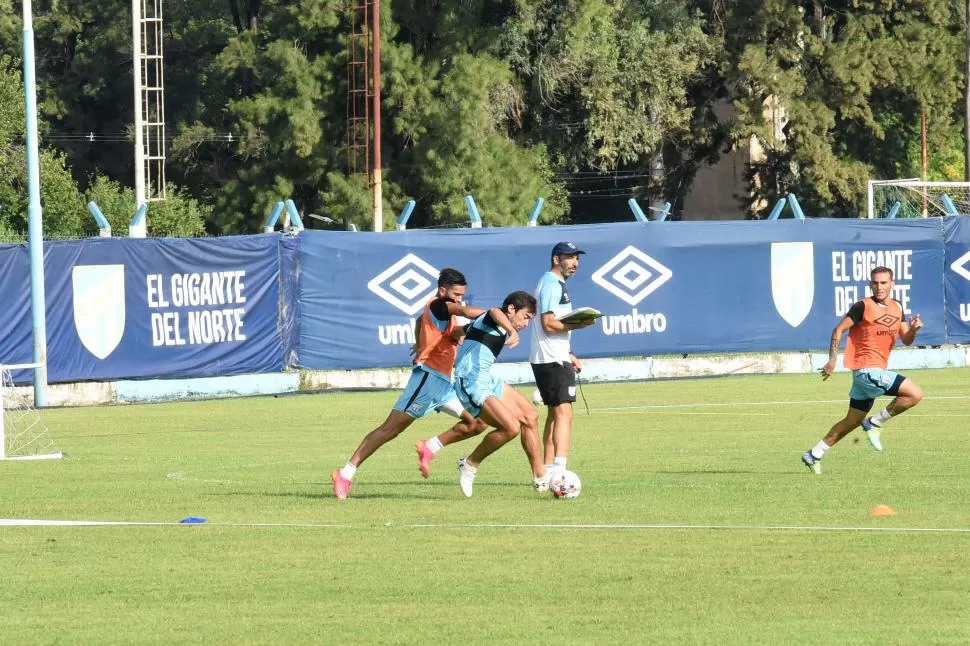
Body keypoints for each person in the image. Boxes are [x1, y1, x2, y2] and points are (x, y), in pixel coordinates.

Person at [331, 268, 516, 499]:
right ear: (443, 290)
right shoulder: (440, 304)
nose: (459, 299)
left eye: (461, 295)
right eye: (456, 294)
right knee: (390, 429)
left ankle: (430, 447)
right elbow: (468, 311)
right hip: (428, 379)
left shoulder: (440, 315)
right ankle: (345, 473)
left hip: (444, 384)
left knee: (476, 422)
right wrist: (496, 318)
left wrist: (420, 341)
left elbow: (423, 321)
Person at [802, 266, 924, 475]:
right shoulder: (862, 306)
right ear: (870, 284)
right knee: (915, 394)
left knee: (852, 421)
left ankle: (814, 454)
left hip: (868, 376)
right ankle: (875, 423)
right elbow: (838, 329)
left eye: (883, 282)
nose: (879, 287)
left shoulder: (898, 307)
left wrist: (913, 330)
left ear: (892, 284)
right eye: (875, 283)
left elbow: (906, 339)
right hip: (867, 372)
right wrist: (832, 360)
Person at [454, 291, 546, 497]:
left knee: (530, 416)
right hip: (470, 382)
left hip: (486, 379)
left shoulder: (485, 323)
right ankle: (469, 465)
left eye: (530, 320)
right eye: (525, 317)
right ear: (511, 309)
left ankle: (541, 478)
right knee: (510, 428)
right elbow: (495, 311)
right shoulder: (493, 317)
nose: (526, 324)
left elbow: (457, 331)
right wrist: (511, 330)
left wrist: (454, 340)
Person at [529, 241, 597, 489]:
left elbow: (553, 327)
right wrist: (579, 324)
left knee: (555, 414)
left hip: (555, 356)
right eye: (570, 257)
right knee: (564, 413)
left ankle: (546, 472)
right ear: (556, 259)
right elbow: (548, 324)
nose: (575, 263)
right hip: (551, 359)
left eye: (577, 258)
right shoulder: (550, 283)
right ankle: (560, 472)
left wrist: (569, 352)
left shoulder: (556, 284)